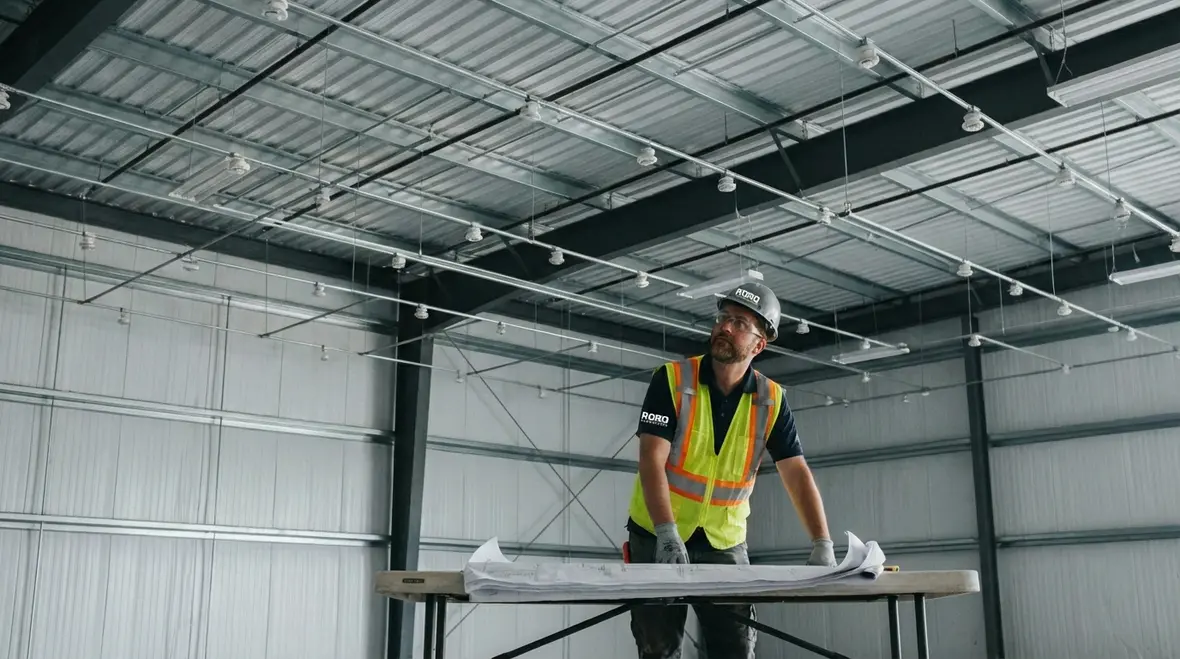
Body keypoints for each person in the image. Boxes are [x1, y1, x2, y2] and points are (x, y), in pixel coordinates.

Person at [624, 281, 835, 659]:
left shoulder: (772, 400)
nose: (725, 327)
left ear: (758, 345)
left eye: (739, 323)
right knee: (658, 650)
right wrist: (666, 532)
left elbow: (796, 472)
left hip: (724, 541)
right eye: (723, 318)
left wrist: (822, 542)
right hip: (657, 533)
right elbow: (651, 460)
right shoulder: (671, 380)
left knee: (735, 651)